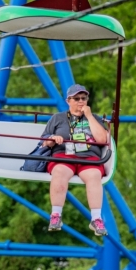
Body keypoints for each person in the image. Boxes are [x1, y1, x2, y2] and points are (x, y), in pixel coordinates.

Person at [41, 84, 110, 236]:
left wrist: (90, 116)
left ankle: (96, 219)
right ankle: (56, 215)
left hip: (89, 157)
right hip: (64, 155)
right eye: (76, 99)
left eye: (83, 98)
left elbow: (102, 139)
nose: (81, 102)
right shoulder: (58, 118)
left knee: (94, 175)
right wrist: (53, 139)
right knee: (59, 171)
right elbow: (45, 141)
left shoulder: (95, 118)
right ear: (68, 101)